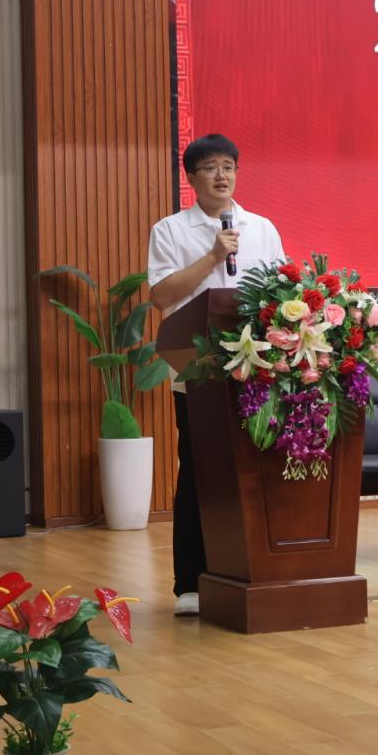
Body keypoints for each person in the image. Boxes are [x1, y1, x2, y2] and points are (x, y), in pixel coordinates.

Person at [147, 134, 285, 616]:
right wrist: (211, 255)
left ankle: (260, 567)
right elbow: (162, 297)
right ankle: (191, 581)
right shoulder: (170, 230)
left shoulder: (262, 228)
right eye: (210, 168)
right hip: (198, 369)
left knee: (256, 468)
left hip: (258, 371)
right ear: (191, 178)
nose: (221, 176)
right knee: (198, 472)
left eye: (229, 166)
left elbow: (281, 290)